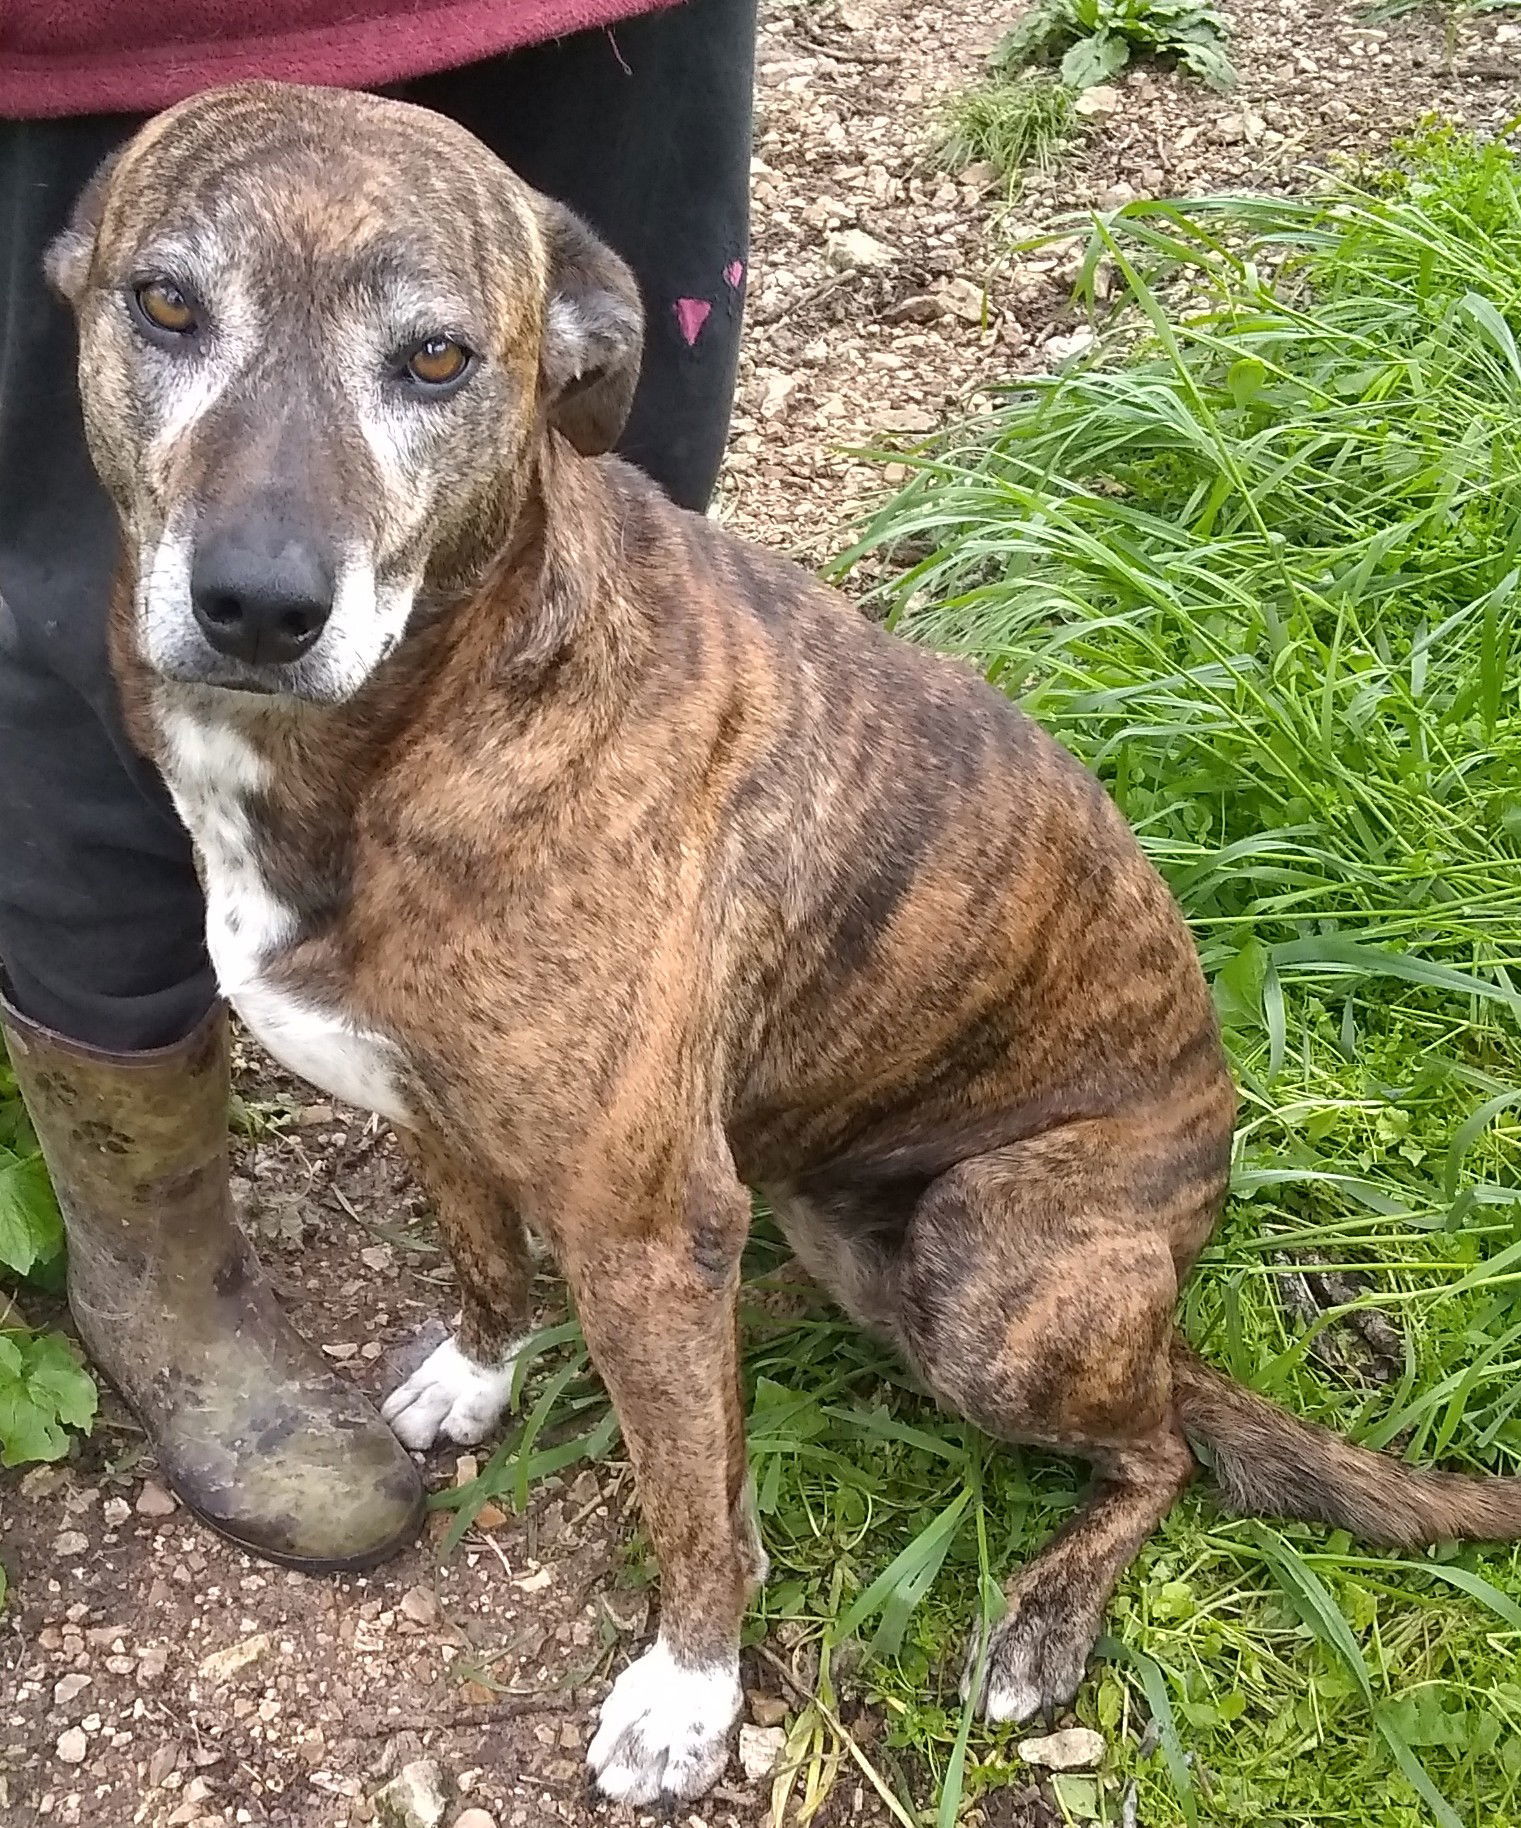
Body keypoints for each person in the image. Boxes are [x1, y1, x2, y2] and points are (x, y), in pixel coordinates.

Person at [0, 0, 755, 1570]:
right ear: (86, 279)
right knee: (60, 647)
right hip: (82, 38)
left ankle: (623, 1065)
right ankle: (155, 1277)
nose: (272, 554)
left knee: (583, 646)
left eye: (426, 364)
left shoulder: (574, 334)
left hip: (587, 25)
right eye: (168, 312)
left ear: (567, 360)